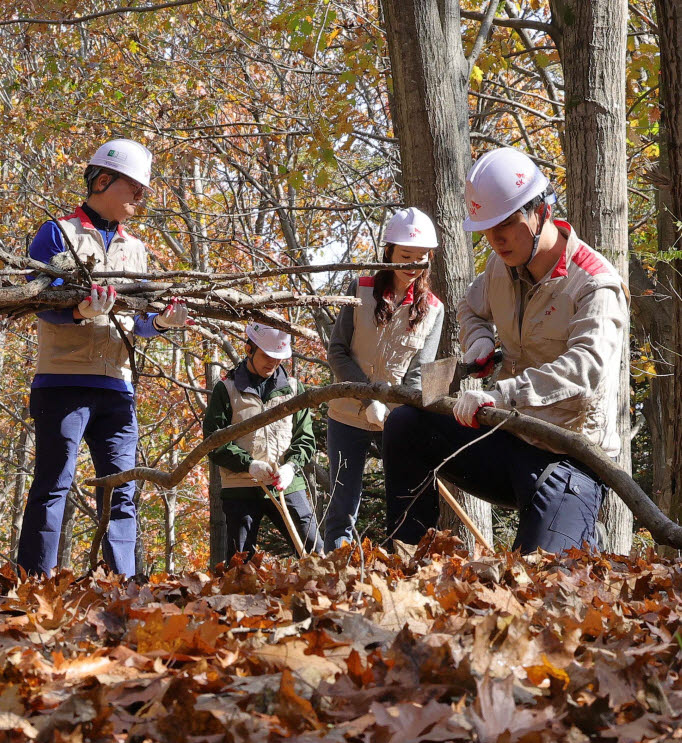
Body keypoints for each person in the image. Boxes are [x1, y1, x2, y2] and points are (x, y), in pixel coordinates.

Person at [383, 147, 629, 556]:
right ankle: (409, 561)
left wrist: (501, 394)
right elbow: (469, 307)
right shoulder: (501, 267)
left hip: (571, 459)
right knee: (407, 424)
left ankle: (577, 528)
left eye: (507, 224)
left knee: (539, 575)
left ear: (541, 211)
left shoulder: (594, 283)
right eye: (487, 229)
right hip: (510, 438)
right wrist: (478, 342)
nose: (496, 239)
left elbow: (586, 367)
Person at [17, 138, 189, 577]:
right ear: (103, 180)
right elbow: (34, 301)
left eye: (143, 190)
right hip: (63, 381)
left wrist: (164, 323)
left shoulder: (137, 249)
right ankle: (34, 583)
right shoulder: (57, 232)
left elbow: (138, 321)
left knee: (123, 491)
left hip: (118, 387)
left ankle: (125, 586)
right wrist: (76, 310)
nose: (140, 197)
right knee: (53, 486)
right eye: (134, 187)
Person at [325, 207, 444, 550]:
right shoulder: (358, 288)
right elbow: (337, 352)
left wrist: (400, 415)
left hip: (395, 421)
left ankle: (403, 563)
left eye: (421, 258)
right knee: (342, 505)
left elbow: (420, 373)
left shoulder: (433, 310)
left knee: (406, 498)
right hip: (347, 414)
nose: (413, 265)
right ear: (389, 251)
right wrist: (368, 401)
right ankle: (337, 566)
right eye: (406, 256)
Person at [203, 321, 323, 562]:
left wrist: (291, 467)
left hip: (286, 484)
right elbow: (213, 443)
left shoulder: (293, 389)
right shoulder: (225, 390)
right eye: (267, 355)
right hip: (240, 486)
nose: (273, 362)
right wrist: (248, 465)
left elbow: (305, 438)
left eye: (279, 357)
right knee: (239, 562)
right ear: (249, 349)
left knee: (314, 549)